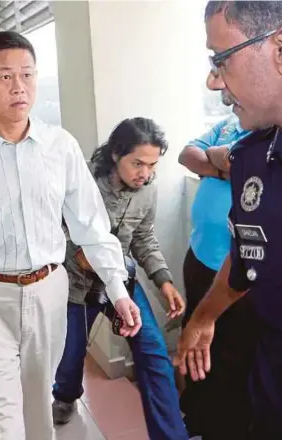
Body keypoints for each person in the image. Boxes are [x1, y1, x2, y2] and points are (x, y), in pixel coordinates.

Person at [0, 31, 141, 440]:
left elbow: (91, 225)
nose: (19, 86)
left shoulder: (59, 146)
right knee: (0, 425)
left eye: (27, 74)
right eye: (5, 76)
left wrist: (118, 289)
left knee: (38, 409)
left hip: (48, 293)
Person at [175, 2, 282, 439]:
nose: (213, 81)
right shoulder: (253, 158)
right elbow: (246, 255)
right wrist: (204, 318)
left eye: (222, 59)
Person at [52, 117, 188, 439]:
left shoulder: (147, 189)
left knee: (153, 352)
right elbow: (50, 227)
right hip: (74, 286)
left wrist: (164, 281)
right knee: (70, 356)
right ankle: (66, 395)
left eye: (152, 165)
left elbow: (142, 238)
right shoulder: (80, 179)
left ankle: (171, 435)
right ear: (116, 154)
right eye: (137, 163)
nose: (145, 173)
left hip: (120, 283)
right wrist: (75, 253)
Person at [178, 115, 257, 439]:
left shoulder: (267, 133)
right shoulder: (230, 123)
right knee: (194, 341)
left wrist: (217, 159)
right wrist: (226, 168)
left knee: (227, 357)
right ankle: (195, 417)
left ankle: (219, 428)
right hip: (199, 257)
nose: (217, 83)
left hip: (236, 274)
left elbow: (243, 165)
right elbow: (187, 155)